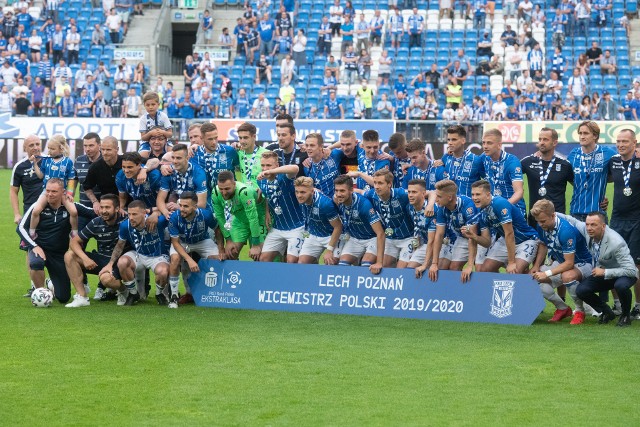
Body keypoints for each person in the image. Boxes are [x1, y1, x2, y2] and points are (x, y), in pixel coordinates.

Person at [17, 179, 92, 303]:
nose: (50, 194)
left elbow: (96, 214)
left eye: (54, 191)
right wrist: (34, 246)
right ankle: (41, 293)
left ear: (63, 192)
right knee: (35, 263)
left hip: (59, 254)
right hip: (39, 249)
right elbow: (20, 228)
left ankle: (50, 283)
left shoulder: (72, 207)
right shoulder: (37, 206)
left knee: (63, 297)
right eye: (47, 191)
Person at [527, 200, 592, 324]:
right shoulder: (542, 225)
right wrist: (536, 266)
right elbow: (543, 244)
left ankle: (579, 311)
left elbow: (569, 264)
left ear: (553, 215)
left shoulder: (565, 230)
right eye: (538, 221)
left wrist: (546, 273)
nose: (540, 224)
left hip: (583, 263)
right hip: (562, 262)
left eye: (543, 221)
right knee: (533, 278)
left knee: (568, 276)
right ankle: (562, 308)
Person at [574, 212, 637, 327]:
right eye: (587, 224)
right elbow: (572, 221)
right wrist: (553, 213)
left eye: (593, 225)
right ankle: (606, 311)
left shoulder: (616, 242)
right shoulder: (587, 230)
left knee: (621, 286)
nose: (589, 228)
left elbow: (631, 270)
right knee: (581, 290)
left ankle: (625, 315)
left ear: (603, 226)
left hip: (625, 273)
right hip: (605, 273)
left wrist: (605, 272)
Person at [463, 180, 538, 274]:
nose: (474, 198)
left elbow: (509, 233)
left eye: (478, 194)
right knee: (485, 270)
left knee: (515, 271)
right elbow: (487, 242)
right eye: (473, 194)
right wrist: (473, 236)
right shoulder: (482, 211)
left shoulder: (499, 203)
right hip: (505, 240)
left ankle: (532, 284)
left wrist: (511, 262)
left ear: (487, 194)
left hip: (526, 240)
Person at [64, 194, 124, 307]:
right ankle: (82, 297)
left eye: (107, 207)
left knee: (106, 280)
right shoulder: (96, 222)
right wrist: (85, 259)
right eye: (102, 207)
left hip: (121, 262)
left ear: (117, 208)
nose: (103, 211)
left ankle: (124, 290)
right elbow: (74, 242)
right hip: (102, 259)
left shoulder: (126, 220)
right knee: (69, 255)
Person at [108, 200, 172, 307]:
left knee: (163, 271)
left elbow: (172, 210)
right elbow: (119, 246)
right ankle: (133, 294)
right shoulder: (125, 226)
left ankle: (159, 294)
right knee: (122, 262)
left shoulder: (158, 221)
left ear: (144, 213)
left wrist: (157, 212)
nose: (131, 217)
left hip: (157, 256)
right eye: (129, 214)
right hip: (138, 254)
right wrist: (110, 264)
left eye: (135, 214)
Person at [168, 191, 222, 308]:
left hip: (202, 241)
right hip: (182, 242)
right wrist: (189, 259)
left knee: (217, 259)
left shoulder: (205, 215)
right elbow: (175, 243)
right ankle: (173, 296)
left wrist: (221, 249)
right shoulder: (174, 217)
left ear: (195, 206)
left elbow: (217, 229)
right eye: (181, 205)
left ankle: (216, 293)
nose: (182, 209)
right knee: (175, 259)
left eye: (186, 206)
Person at [607, 129, 640, 319]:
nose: (620, 144)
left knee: (636, 265)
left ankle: (638, 306)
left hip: (637, 220)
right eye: (618, 141)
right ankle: (618, 304)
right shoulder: (613, 162)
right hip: (616, 219)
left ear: (634, 143)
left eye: (625, 141)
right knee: (613, 261)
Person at [423, 179, 479, 282]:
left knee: (483, 268)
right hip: (462, 238)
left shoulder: (468, 207)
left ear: (449, 197)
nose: (436, 200)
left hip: (479, 238)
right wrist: (434, 264)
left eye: (439, 196)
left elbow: (473, 237)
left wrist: (470, 265)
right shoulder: (442, 208)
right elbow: (439, 235)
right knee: (453, 268)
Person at [255, 152, 305, 263]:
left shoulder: (285, 177)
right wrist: (267, 211)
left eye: (268, 165)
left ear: (277, 165)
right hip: (277, 227)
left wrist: (271, 172)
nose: (265, 169)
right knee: (263, 259)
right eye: (263, 165)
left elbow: (295, 168)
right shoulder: (261, 180)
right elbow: (269, 195)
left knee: (291, 260)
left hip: (296, 226)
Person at [330, 174, 385, 273]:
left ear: (351, 190)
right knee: (342, 265)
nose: (338, 194)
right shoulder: (337, 200)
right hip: (354, 238)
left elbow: (380, 233)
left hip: (371, 239)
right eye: (336, 190)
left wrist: (379, 262)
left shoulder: (364, 205)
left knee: (366, 264)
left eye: (342, 191)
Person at [28, 135, 78, 240]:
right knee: (36, 211)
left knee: (73, 212)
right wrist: (35, 164)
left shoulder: (68, 161)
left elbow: (72, 179)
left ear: (61, 148)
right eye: (48, 148)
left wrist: (69, 193)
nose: (49, 151)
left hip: (62, 193)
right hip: (47, 192)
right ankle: (31, 233)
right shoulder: (46, 160)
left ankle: (74, 234)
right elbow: (41, 176)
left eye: (52, 148)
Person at [521, 128, 574, 226]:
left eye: (545, 139)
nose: (541, 142)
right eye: (540, 139)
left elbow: (578, 186)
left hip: (557, 219)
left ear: (554, 143)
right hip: (535, 219)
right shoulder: (528, 162)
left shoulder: (565, 165)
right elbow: (510, 175)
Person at [363, 170, 414, 268]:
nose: (377, 187)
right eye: (375, 183)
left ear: (389, 184)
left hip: (408, 238)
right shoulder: (372, 194)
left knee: (400, 270)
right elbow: (359, 193)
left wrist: (429, 205)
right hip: (390, 238)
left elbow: (428, 193)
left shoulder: (402, 194)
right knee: (385, 267)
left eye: (380, 183)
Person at [567, 121, 616, 220]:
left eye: (585, 133)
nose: (582, 136)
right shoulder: (573, 154)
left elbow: (619, 171)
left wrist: (600, 190)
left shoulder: (607, 153)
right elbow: (571, 178)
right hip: (576, 212)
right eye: (580, 133)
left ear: (595, 136)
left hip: (598, 214)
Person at [211, 170, 265, 261]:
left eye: (227, 189)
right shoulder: (215, 193)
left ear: (234, 185)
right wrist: (228, 240)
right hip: (240, 221)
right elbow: (220, 217)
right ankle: (234, 275)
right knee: (231, 253)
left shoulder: (244, 192)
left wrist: (255, 245)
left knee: (261, 257)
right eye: (221, 189)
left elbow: (253, 218)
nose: (224, 192)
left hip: (258, 220)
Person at [294, 176, 342, 265]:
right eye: (297, 192)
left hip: (330, 235)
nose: (299, 195)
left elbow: (338, 227)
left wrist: (329, 250)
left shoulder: (325, 204)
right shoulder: (301, 199)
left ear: (312, 191)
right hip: (313, 234)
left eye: (302, 192)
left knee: (331, 262)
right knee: (301, 263)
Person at [478, 129, 526, 216]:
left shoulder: (512, 162)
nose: (485, 146)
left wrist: (502, 207)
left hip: (514, 209)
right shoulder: (483, 158)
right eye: (483, 142)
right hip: (494, 211)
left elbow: (519, 192)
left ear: (499, 145)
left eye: (489, 143)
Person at [156, 144, 208, 219]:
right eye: (173, 158)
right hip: (178, 208)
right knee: (160, 220)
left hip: (194, 210)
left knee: (204, 215)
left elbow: (201, 204)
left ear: (187, 158)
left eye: (178, 158)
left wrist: (179, 207)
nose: (174, 161)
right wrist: (165, 212)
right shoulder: (168, 171)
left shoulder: (198, 173)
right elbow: (160, 199)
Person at [398, 179, 434, 269]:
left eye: (414, 192)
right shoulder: (410, 207)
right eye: (409, 192)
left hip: (440, 244)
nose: (410, 195)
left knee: (438, 268)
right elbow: (417, 231)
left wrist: (425, 264)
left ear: (423, 193)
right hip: (423, 244)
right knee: (409, 269)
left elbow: (432, 241)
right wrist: (414, 250)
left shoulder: (432, 210)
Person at [441, 125, 483, 198]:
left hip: (469, 207)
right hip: (449, 207)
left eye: (454, 139)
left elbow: (489, 181)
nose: (450, 143)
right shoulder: (446, 158)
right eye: (448, 139)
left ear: (463, 141)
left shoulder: (476, 160)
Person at [303, 133, 342, 198]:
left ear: (321, 146)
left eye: (312, 145)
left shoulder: (333, 155)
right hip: (322, 205)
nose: (308, 148)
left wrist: (330, 147)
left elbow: (345, 141)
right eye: (307, 145)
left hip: (339, 202)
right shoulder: (306, 166)